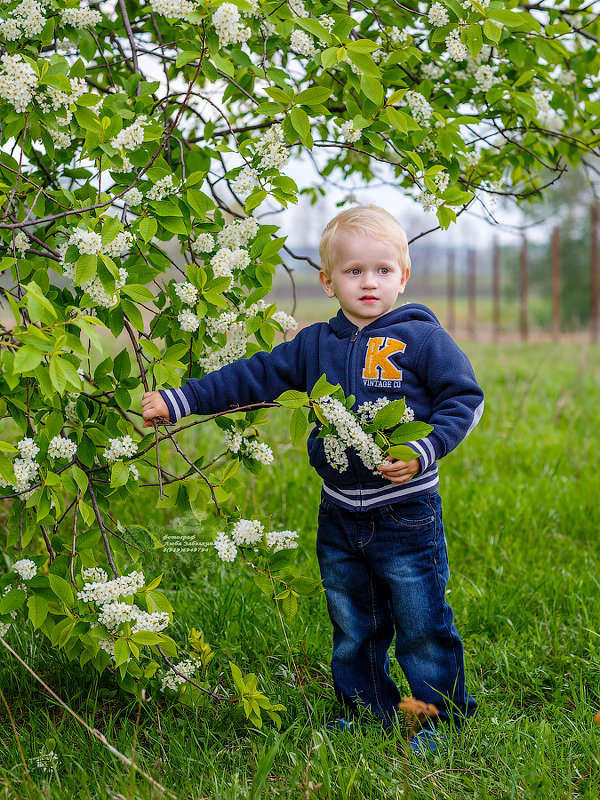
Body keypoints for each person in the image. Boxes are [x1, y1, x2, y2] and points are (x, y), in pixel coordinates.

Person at [141, 205, 484, 753]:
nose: (368, 282)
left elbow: (464, 398)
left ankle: (434, 717)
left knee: (420, 620)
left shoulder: (421, 339)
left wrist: (424, 450)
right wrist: (181, 399)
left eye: (382, 270)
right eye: (353, 272)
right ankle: (366, 709)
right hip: (340, 512)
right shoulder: (314, 345)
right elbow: (254, 375)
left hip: (405, 511)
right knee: (353, 621)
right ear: (327, 281)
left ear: (404, 275)